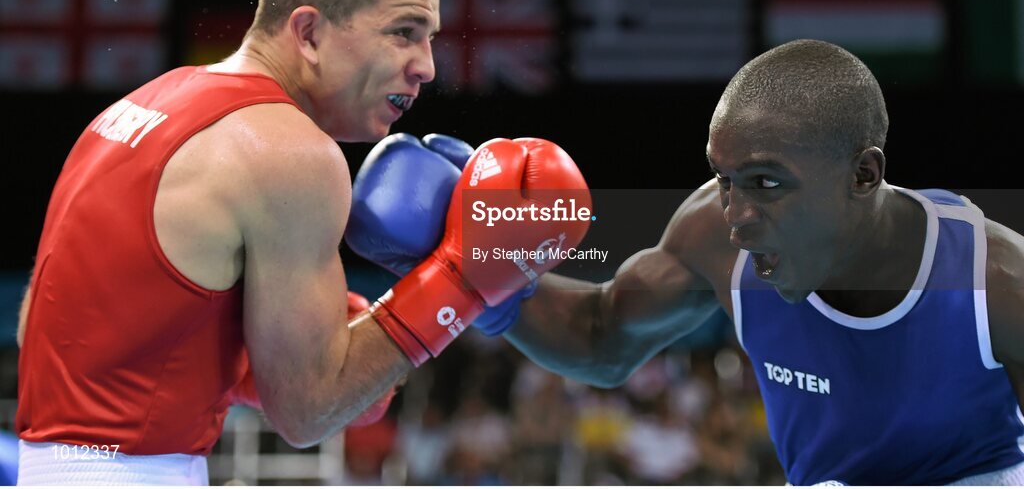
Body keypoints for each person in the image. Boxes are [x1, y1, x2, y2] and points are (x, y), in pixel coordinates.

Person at [15, 0, 590, 485]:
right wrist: (464, 277)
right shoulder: (290, 150)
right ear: (309, 32)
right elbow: (309, 414)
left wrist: (236, 362)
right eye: (402, 34)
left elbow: (41, 321)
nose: (426, 67)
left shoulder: (141, 106)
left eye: (429, 39)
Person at [353, 39, 1024, 485]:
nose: (736, 211)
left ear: (863, 174)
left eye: (767, 181)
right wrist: (487, 278)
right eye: (725, 179)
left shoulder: (995, 282)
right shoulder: (715, 234)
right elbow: (600, 334)